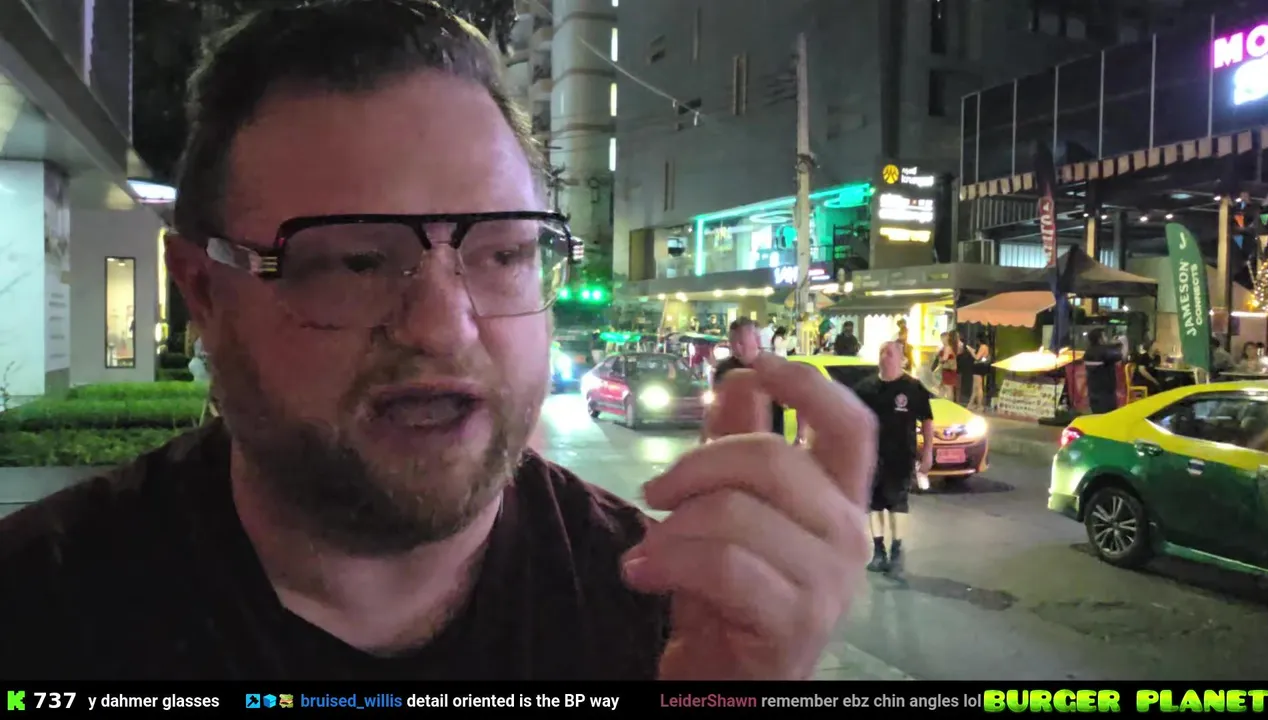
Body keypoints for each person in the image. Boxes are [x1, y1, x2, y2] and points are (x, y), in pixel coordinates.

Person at [0, 0, 875, 681]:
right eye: (353, 261)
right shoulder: (43, 611)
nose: (443, 324)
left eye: (502, 253)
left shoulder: (664, 611)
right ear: (203, 291)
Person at [855, 341, 933, 575]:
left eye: (889, 353)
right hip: (871, 456)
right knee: (874, 504)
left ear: (902, 359)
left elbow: (927, 421)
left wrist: (927, 452)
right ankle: (879, 551)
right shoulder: (866, 388)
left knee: (898, 503)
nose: (884, 357)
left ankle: (897, 550)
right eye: (882, 352)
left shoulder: (913, 388)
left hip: (901, 456)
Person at [1084, 328, 1127, 414]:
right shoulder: (1105, 352)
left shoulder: (1088, 352)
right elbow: (1122, 356)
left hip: (1093, 391)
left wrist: (1111, 344)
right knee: (1109, 416)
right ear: (1100, 339)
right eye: (1105, 336)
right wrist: (1124, 342)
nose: (1107, 338)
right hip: (1106, 393)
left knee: (1097, 416)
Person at [968, 330, 991, 411]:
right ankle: (971, 404)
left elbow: (977, 357)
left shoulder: (983, 347)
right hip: (980, 367)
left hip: (978, 367)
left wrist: (971, 352)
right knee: (976, 387)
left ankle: (979, 405)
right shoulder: (986, 347)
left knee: (978, 387)